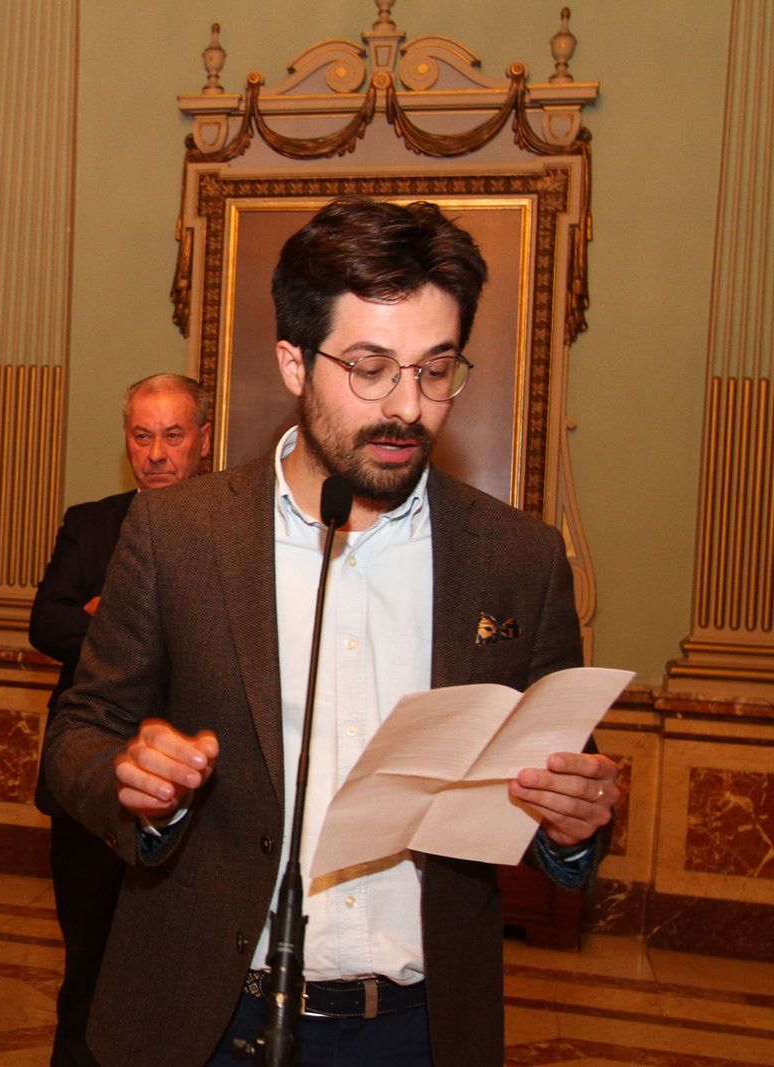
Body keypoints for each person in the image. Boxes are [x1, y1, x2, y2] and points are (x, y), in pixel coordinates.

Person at [43, 198, 622, 1067]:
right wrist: (133, 779)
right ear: (292, 361)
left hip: (417, 1028)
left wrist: (574, 823)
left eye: (436, 369)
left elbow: (557, 782)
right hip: (207, 1016)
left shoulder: (519, 558)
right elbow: (75, 737)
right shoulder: (179, 536)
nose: (408, 408)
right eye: (370, 367)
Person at [29, 372, 211, 1067]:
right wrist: (152, 639)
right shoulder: (91, 522)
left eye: (172, 435)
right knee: (89, 969)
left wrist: (107, 619)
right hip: (91, 787)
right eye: (142, 435)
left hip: (198, 793)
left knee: (184, 979)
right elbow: (46, 621)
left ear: (200, 438)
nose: (157, 452)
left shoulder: (232, 528)